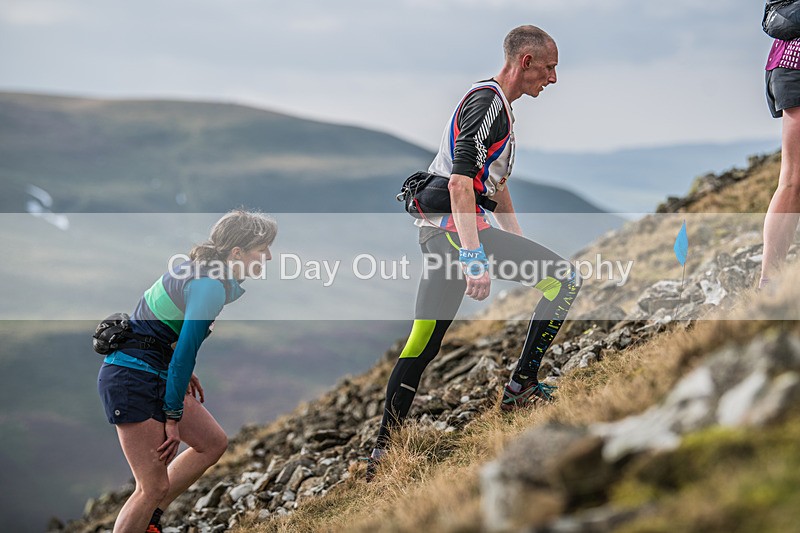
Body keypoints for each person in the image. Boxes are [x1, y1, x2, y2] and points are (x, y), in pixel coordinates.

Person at [367, 25, 580, 479]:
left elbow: (492, 187)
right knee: (564, 280)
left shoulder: (496, 105)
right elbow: (462, 184)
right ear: (525, 63)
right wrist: (474, 258)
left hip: (440, 233)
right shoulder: (488, 105)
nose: (554, 78)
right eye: (550, 67)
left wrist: (516, 240)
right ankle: (521, 386)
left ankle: (384, 454)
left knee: (423, 341)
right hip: (453, 235)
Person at [96, 210, 277, 533]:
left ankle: (149, 517)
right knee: (150, 487)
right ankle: (148, 509)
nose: (269, 256)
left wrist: (168, 363)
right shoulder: (210, 288)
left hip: (151, 369)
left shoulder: (200, 271)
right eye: (262, 249)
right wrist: (172, 416)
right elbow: (184, 355)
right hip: (132, 378)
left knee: (212, 442)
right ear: (237, 253)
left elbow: (165, 332)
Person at [760, 32, 800, 289]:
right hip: (796, 66)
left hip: (787, 63)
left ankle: (769, 285)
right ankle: (770, 284)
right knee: (793, 180)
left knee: (792, 179)